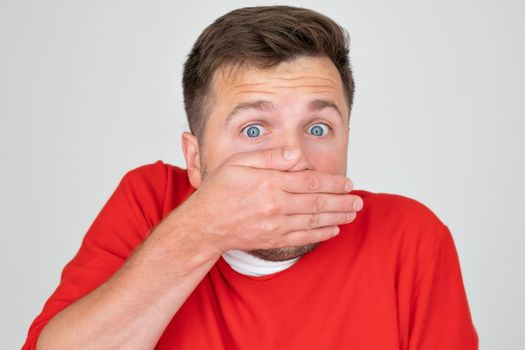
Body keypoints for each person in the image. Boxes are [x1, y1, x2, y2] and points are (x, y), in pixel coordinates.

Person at [23, 5, 478, 349]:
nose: (291, 157)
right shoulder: (152, 199)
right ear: (196, 159)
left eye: (319, 129)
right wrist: (200, 231)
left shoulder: (409, 236)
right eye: (253, 129)